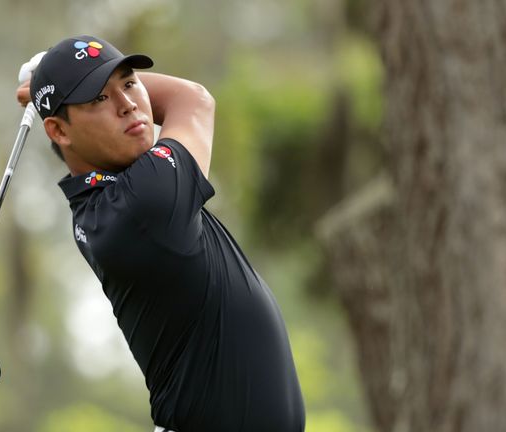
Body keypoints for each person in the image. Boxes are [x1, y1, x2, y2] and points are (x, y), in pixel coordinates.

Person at [17, 35, 305, 432]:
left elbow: (141, 103)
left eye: (129, 82)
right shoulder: (146, 202)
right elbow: (194, 99)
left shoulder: (102, 204)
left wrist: (57, 86)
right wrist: (49, 85)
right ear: (59, 132)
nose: (128, 105)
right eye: (99, 99)